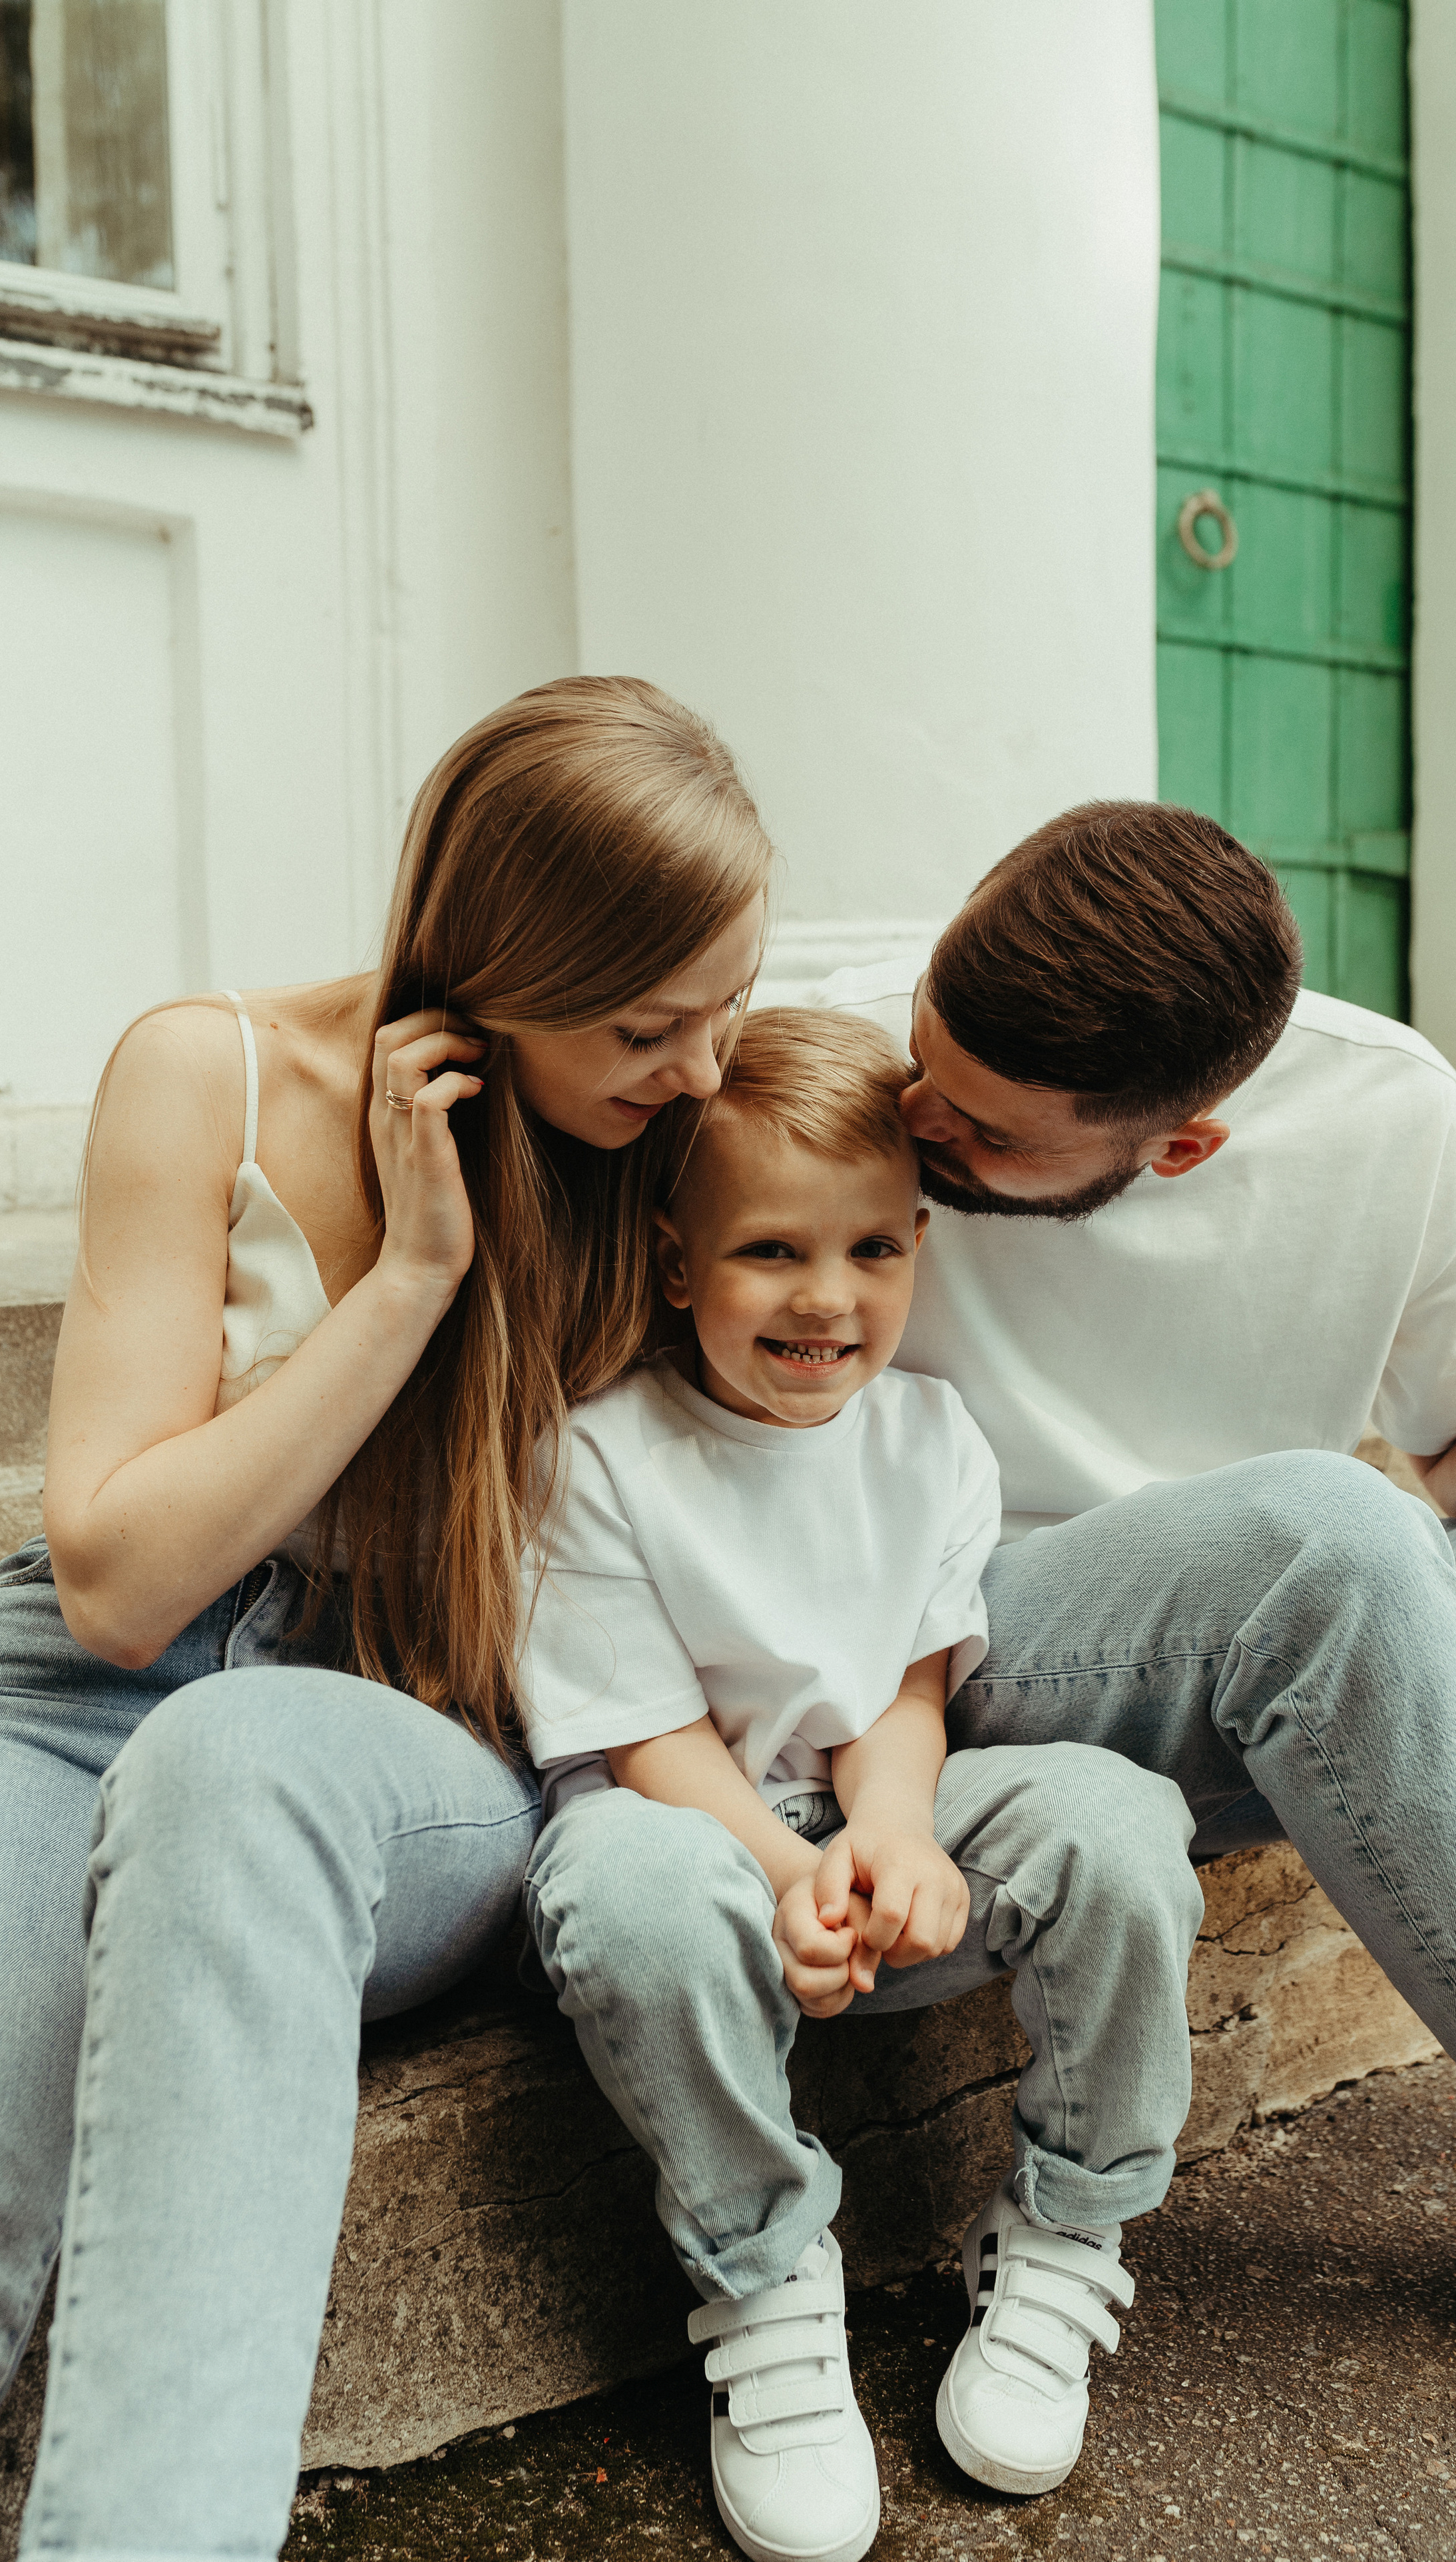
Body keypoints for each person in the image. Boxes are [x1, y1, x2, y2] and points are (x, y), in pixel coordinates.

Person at [0, 678, 774, 2553]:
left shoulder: (673, 1141)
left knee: (240, 1761)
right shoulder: (213, 1073)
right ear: (492, 963)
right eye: (649, 1024)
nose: (707, 1067)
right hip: (79, 1697)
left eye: (731, 1001)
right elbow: (116, 1579)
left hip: (389, 1733)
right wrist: (408, 1283)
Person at [818, 797, 1456, 2427]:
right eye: (924, 1056)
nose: (916, 1117)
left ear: (1183, 1143)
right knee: (1333, 1530)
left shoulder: (1401, 1118)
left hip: (1287, 1641)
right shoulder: (827, 1054)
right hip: (950, 1657)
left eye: (987, 1131)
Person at [523, 1008, 1204, 2562]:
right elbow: (645, 1739)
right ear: (677, 1261)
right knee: (630, 1890)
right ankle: (762, 2273)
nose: (828, 1298)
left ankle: (1066, 2223)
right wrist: (780, 1867)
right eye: (771, 1249)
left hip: (861, 1818)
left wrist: (893, 1831)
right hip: (683, 1827)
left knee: (1114, 1816)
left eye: (875, 1252)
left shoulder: (928, 1436)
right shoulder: (603, 1453)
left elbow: (906, 1688)